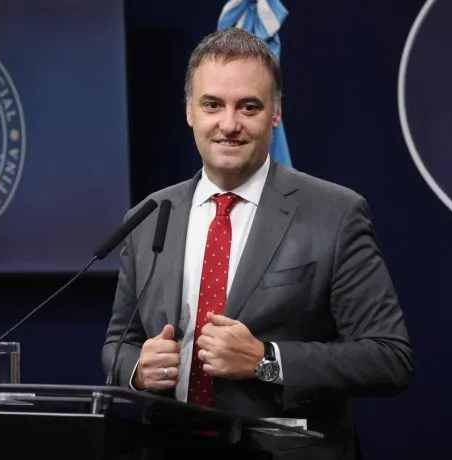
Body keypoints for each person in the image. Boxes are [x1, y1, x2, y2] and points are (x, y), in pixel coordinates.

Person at [101, 27, 413, 460]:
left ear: (276, 113)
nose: (229, 125)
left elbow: (388, 358)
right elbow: (118, 344)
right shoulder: (149, 215)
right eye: (212, 105)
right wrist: (138, 368)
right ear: (190, 111)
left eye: (248, 107)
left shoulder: (335, 213)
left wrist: (267, 360)